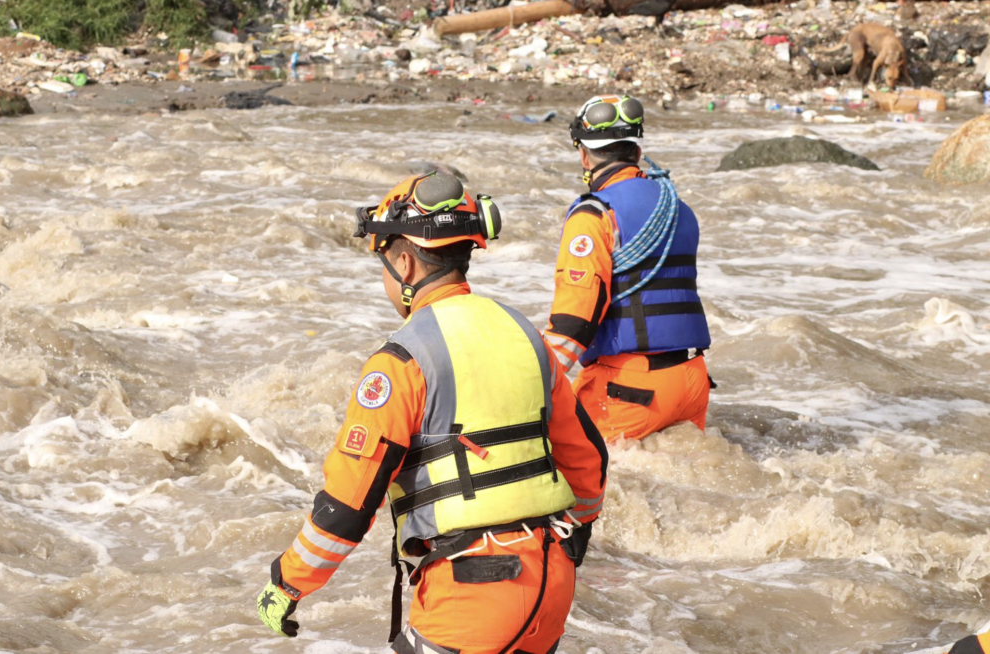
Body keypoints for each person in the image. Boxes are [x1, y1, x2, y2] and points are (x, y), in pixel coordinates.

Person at [256, 173, 609, 654]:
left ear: (404, 261)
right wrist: (576, 537)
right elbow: (587, 459)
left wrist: (287, 582)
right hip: (552, 581)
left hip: (471, 592)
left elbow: (348, 505)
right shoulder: (526, 336)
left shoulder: (401, 361)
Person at [543, 94, 713, 443]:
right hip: (692, 380)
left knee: (570, 470)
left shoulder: (593, 216)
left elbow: (573, 323)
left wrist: (529, 384)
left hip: (630, 389)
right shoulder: (678, 208)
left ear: (583, 154)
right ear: (637, 152)